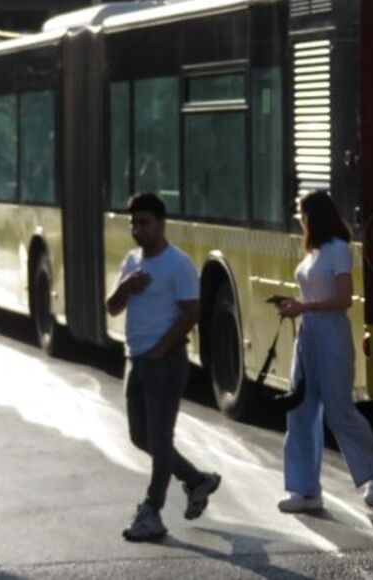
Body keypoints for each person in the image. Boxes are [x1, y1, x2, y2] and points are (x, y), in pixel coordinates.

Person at [105, 192, 221, 542]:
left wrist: (161, 349)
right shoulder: (131, 261)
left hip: (165, 362)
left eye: (145, 223)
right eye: (133, 223)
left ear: (161, 223)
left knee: (159, 437)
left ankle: (151, 511)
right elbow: (112, 307)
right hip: (135, 358)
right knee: (140, 436)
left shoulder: (178, 264)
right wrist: (126, 287)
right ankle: (197, 480)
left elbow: (192, 312)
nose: (138, 230)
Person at [276, 190, 373, 513]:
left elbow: (344, 299)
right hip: (308, 332)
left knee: (338, 408)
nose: (301, 221)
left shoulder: (338, 250)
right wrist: (296, 305)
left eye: (303, 215)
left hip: (331, 333)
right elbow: (315, 292)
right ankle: (304, 490)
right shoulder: (314, 252)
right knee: (300, 408)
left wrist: (304, 305)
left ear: (314, 216)